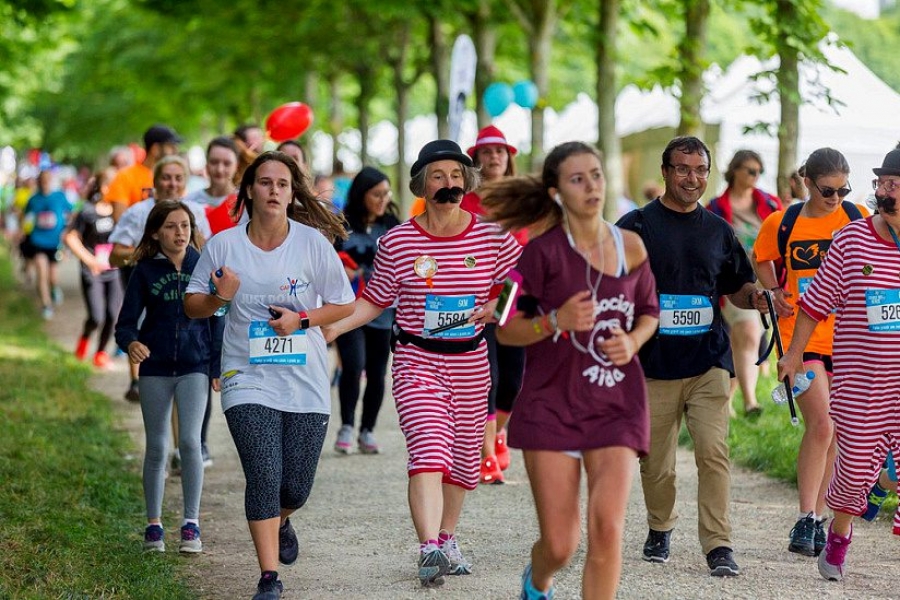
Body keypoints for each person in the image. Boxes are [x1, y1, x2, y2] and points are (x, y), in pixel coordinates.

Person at [323, 140, 522, 587]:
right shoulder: (398, 241)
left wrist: (499, 308)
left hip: (471, 362)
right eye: (438, 176)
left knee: (464, 463)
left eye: (456, 176)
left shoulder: (491, 235)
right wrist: (335, 328)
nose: (449, 184)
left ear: (466, 182)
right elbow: (374, 301)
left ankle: (447, 538)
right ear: (421, 185)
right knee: (429, 450)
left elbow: (520, 278)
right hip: (417, 360)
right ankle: (428, 548)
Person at [482, 141, 660, 600]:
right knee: (561, 545)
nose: (591, 186)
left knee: (607, 530)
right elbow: (503, 327)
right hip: (552, 406)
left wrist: (633, 341)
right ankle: (537, 581)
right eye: (577, 179)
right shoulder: (536, 255)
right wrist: (553, 321)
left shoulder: (632, 247)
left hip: (616, 404)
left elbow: (649, 312)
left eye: (596, 175)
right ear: (556, 192)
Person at [183, 151, 353, 600]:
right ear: (249, 190)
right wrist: (220, 298)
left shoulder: (312, 243)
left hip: (305, 379)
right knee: (263, 474)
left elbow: (344, 303)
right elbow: (192, 305)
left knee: (294, 486)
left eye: (282, 183)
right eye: (264, 182)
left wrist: (302, 320)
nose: (273, 190)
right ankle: (268, 577)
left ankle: (281, 519)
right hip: (246, 375)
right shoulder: (223, 245)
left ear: (292, 193)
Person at [616, 136, 769, 577]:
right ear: (665, 172)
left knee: (713, 452)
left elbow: (736, 286)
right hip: (653, 364)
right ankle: (660, 525)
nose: (692, 178)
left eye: (700, 170)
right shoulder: (634, 226)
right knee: (656, 463)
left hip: (708, 360)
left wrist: (755, 297)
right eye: (682, 169)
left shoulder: (718, 230)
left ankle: (718, 544)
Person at [777, 147, 900, 582]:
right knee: (852, 477)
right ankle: (840, 531)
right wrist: (793, 354)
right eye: (884, 183)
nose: (885, 191)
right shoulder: (852, 240)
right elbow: (813, 304)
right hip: (862, 382)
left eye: (895, 184)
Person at [753, 147, 867, 558]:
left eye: (843, 190)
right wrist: (773, 292)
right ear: (807, 183)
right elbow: (761, 258)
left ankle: (818, 517)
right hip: (800, 338)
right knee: (821, 423)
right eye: (827, 191)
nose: (836, 198)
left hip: (849, 338)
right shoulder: (783, 223)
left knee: (837, 429)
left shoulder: (856, 218)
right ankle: (804, 516)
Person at [114, 200, 219, 555]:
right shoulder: (144, 271)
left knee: (190, 442)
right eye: (172, 226)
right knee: (157, 447)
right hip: (155, 368)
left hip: (194, 366)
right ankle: (154, 524)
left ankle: (191, 523)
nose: (180, 233)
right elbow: (125, 324)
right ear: (156, 232)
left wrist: (216, 365)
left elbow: (218, 319)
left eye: (185, 226)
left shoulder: (204, 267)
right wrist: (131, 343)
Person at [109, 155, 211, 404]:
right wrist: (146, 255)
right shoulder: (138, 212)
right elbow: (114, 256)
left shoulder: (195, 211)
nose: (172, 184)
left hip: (186, 286)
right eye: (166, 177)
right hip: (151, 288)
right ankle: (137, 381)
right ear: (154, 181)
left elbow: (206, 250)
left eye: (178, 178)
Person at [462, 124, 524, 484]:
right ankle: (486, 455)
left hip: (515, 297)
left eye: (500, 151)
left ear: (508, 158)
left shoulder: (523, 200)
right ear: (477, 159)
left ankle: (498, 432)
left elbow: (530, 251)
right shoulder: (465, 200)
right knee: (489, 378)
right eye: (487, 152)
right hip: (477, 302)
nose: (494, 157)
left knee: (514, 381)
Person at [707, 150, 783, 417]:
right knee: (748, 333)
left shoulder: (770, 204)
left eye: (759, 171)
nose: (755, 176)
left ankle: (727, 400)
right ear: (735, 170)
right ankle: (751, 402)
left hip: (767, 279)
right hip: (734, 282)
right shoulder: (716, 208)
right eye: (750, 170)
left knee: (740, 342)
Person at [332, 167, 400, 454]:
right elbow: (328, 260)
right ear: (362, 195)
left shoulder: (394, 225)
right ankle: (347, 426)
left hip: (383, 311)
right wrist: (342, 270)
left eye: (386, 193)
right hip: (349, 309)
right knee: (353, 365)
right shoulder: (342, 225)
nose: (383, 199)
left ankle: (367, 430)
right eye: (376, 194)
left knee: (376, 372)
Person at [63, 168, 123, 368]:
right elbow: (71, 237)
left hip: (113, 271)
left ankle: (100, 353)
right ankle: (84, 339)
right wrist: (90, 261)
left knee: (113, 315)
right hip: (92, 271)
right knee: (96, 317)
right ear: (103, 187)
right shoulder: (87, 211)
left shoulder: (120, 211)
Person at [21, 169, 71, 320]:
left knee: (52, 277)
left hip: (54, 242)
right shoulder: (33, 199)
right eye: (42, 180)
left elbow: (71, 212)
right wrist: (23, 230)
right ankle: (46, 304)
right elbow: (24, 215)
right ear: (38, 182)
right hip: (38, 241)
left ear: (51, 181)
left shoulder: (59, 196)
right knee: (41, 272)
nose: (45, 183)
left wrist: (66, 230)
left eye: (47, 180)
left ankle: (54, 288)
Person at [106, 124, 182, 222]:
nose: (175, 151)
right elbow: (120, 220)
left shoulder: (174, 180)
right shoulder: (125, 176)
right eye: (170, 147)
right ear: (155, 149)